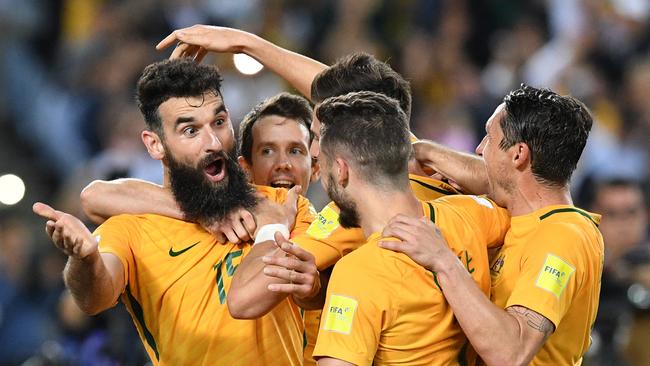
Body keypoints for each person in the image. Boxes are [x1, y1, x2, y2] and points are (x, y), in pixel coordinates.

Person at [32, 58, 318, 365]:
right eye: (190, 130)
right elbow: (92, 298)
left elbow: (317, 295)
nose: (212, 142)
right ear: (155, 145)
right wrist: (84, 260)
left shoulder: (281, 205)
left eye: (219, 122)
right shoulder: (132, 229)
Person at [381, 85, 603, 365]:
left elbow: (511, 354)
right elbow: (487, 175)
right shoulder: (523, 213)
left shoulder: (562, 236)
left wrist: (443, 261)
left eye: (489, 137)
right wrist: (423, 151)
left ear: (519, 154)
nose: (479, 149)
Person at [303, 91, 508, 365]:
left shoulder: (358, 273)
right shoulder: (472, 214)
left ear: (341, 171)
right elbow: (528, 200)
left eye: (323, 164)